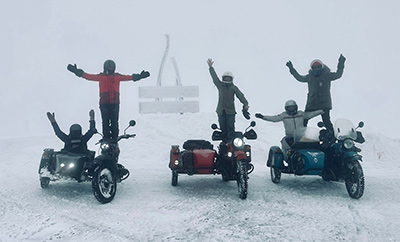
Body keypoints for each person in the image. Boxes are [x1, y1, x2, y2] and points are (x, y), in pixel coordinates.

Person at [67, 60, 150, 140]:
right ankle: (106, 137)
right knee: (106, 121)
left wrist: (139, 76)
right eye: (108, 69)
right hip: (106, 103)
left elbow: (129, 77)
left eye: (110, 69)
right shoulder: (102, 76)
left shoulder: (116, 76)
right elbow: (88, 76)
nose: (109, 71)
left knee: (114, 121)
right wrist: (76, 71)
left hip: (113, 103)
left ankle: (114, 138)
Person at [286, 54, 346, 133]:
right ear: (312, 68)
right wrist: (291, 69)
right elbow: (299, 78)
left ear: (322, 67)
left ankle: (332, 136)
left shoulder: (327, 75)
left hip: (324, 104)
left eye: (318, 67)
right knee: (304, 120)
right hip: (312, 103)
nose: (317, 69)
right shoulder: (309, 77)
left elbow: (338, 75)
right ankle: (301, 136)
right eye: (315, 67)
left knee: (326, 122)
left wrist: (341, 63)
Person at [255, 100, 323, 158]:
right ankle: (288, 157)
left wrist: (320, 111)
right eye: (290, 108)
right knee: (287, 148)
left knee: (311, 147)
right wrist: (263, 117)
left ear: (296, 107)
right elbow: (274, 118)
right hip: (289, 136)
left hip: (301, 136)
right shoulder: (284, 115)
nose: (292, 109)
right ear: (286, 109)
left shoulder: (301, 114)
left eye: (293, 107)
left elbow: (310, 114)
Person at [207, 58, 249, 140]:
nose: (227, 80)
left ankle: (231, 143)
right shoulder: (220, 86)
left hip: (230, 111)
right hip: (221, 111)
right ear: (223, 78)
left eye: (228, 78)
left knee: (230, 128)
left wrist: (245, 104)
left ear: (231, 79)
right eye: (225, 78)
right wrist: (211, 68)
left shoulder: (233, 88)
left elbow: (241, 96)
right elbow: (215, 78)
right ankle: (224, 144)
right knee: (223, 128)